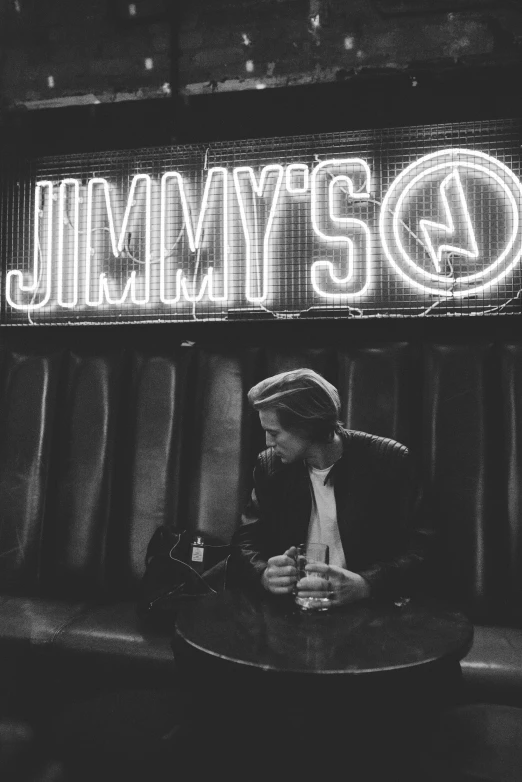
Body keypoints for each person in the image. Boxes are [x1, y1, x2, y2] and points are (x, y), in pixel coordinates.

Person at [230, 367, 434, 603]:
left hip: (375, 610)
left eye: (274, 433)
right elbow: (246, 539)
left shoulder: (389, 461)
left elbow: (424, 546)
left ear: (307, 425)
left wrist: (367, 584)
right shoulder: (270, 467)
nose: (268, 442)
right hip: (296, 607)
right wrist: (264, 573)